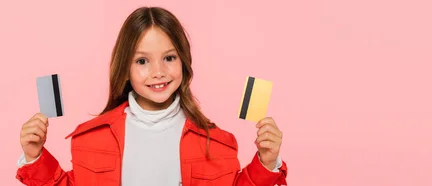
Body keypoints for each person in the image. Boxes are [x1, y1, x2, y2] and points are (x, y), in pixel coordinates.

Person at [16, 6, 288, 186]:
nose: (158, 72)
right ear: (125, 69)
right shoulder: (90, 138)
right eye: (142, 61)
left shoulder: (217, 143)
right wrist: (34, 157)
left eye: (169, 58)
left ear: (184, 62)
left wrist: (267, 162)